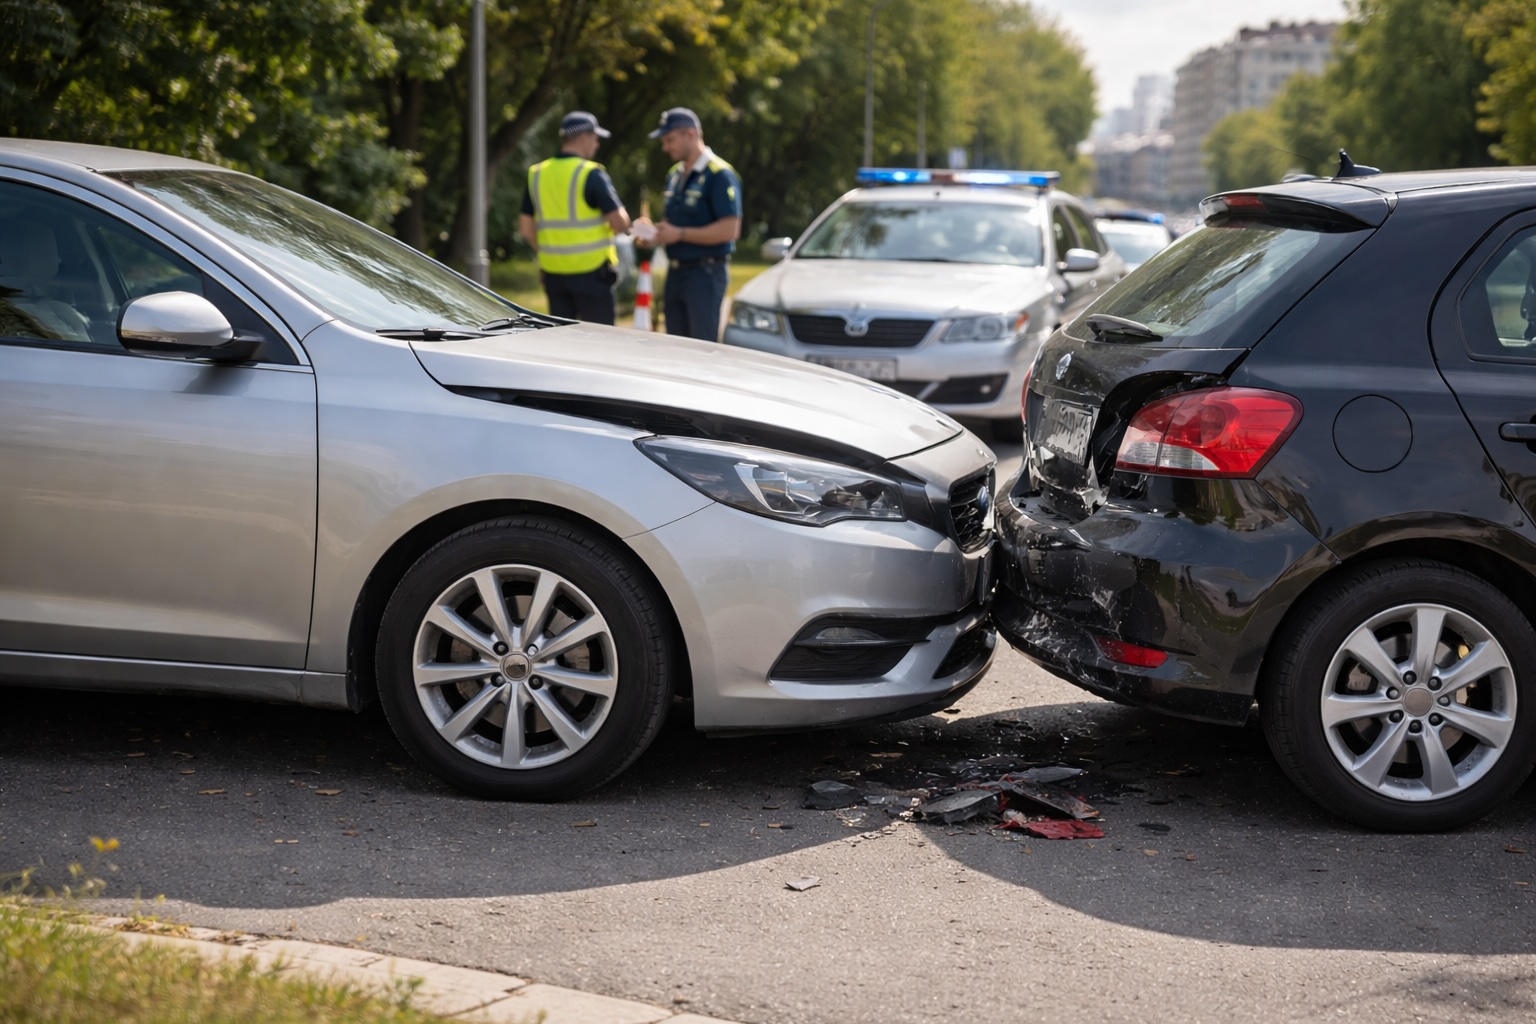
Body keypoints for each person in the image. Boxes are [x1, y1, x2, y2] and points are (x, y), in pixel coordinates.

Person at [634, 107, 742, 341]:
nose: (665, 147)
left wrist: (680, 234)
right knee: (676, 347)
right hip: (676, 272)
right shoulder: (674, 174)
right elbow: (673, 226)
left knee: (701, 349)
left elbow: (731, 230)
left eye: (670, 139)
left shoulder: (719, 174)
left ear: (691, 134)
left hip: (705, 273)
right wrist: (653, 234)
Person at [518, 111, 631, 324]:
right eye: (595, 138)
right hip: (592, 274)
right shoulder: (591, 173)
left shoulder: (537, 173)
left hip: (553, 275)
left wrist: (551, 251)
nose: (597, 144)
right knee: (600, 343)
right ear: (583, 138)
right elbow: (620, 223)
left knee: (562, 344)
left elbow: (525, 229)